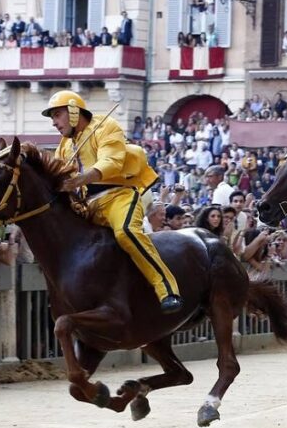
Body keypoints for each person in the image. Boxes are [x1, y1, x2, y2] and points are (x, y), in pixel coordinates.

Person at [41, 90, 182, 313]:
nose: (54, 123)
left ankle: (167, 289)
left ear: (74, 111)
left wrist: (81, 179)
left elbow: (111, 163)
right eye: (52, 118)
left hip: (118, 197)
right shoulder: (64, 145)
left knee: (126, 231)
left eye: (57, 116)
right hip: (88, 205)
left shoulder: (106, 126)